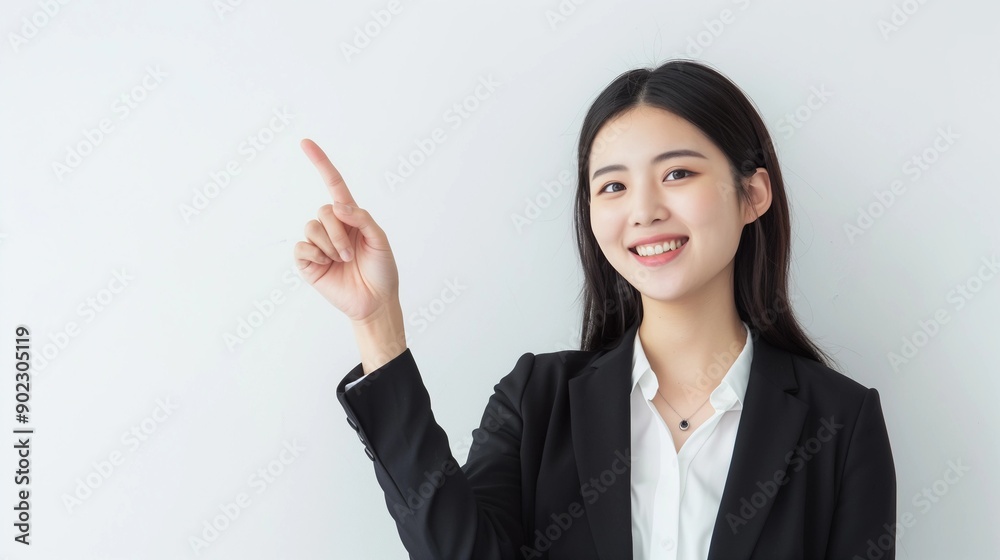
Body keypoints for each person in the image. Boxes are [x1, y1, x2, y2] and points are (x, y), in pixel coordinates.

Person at [293, 59, 896, 560]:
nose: (644, 210)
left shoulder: (840, 423)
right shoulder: (538, 400)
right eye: (612, 186)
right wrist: (376, 325)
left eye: (678, 173)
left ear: (753, 194)